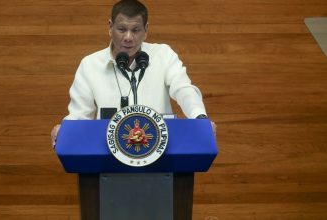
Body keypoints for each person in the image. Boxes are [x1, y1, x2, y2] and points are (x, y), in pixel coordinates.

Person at [51, 0, 216, 145]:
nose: (128, 37)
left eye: (135, 30)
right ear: (110, 27)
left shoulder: (163, 55)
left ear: (146, 30)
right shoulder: (90, 64)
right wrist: (65, 131)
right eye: (122, 29)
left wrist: (199, 118)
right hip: (107, 155)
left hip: (160, 151)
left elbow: (184, 89)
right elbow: (79, 114)